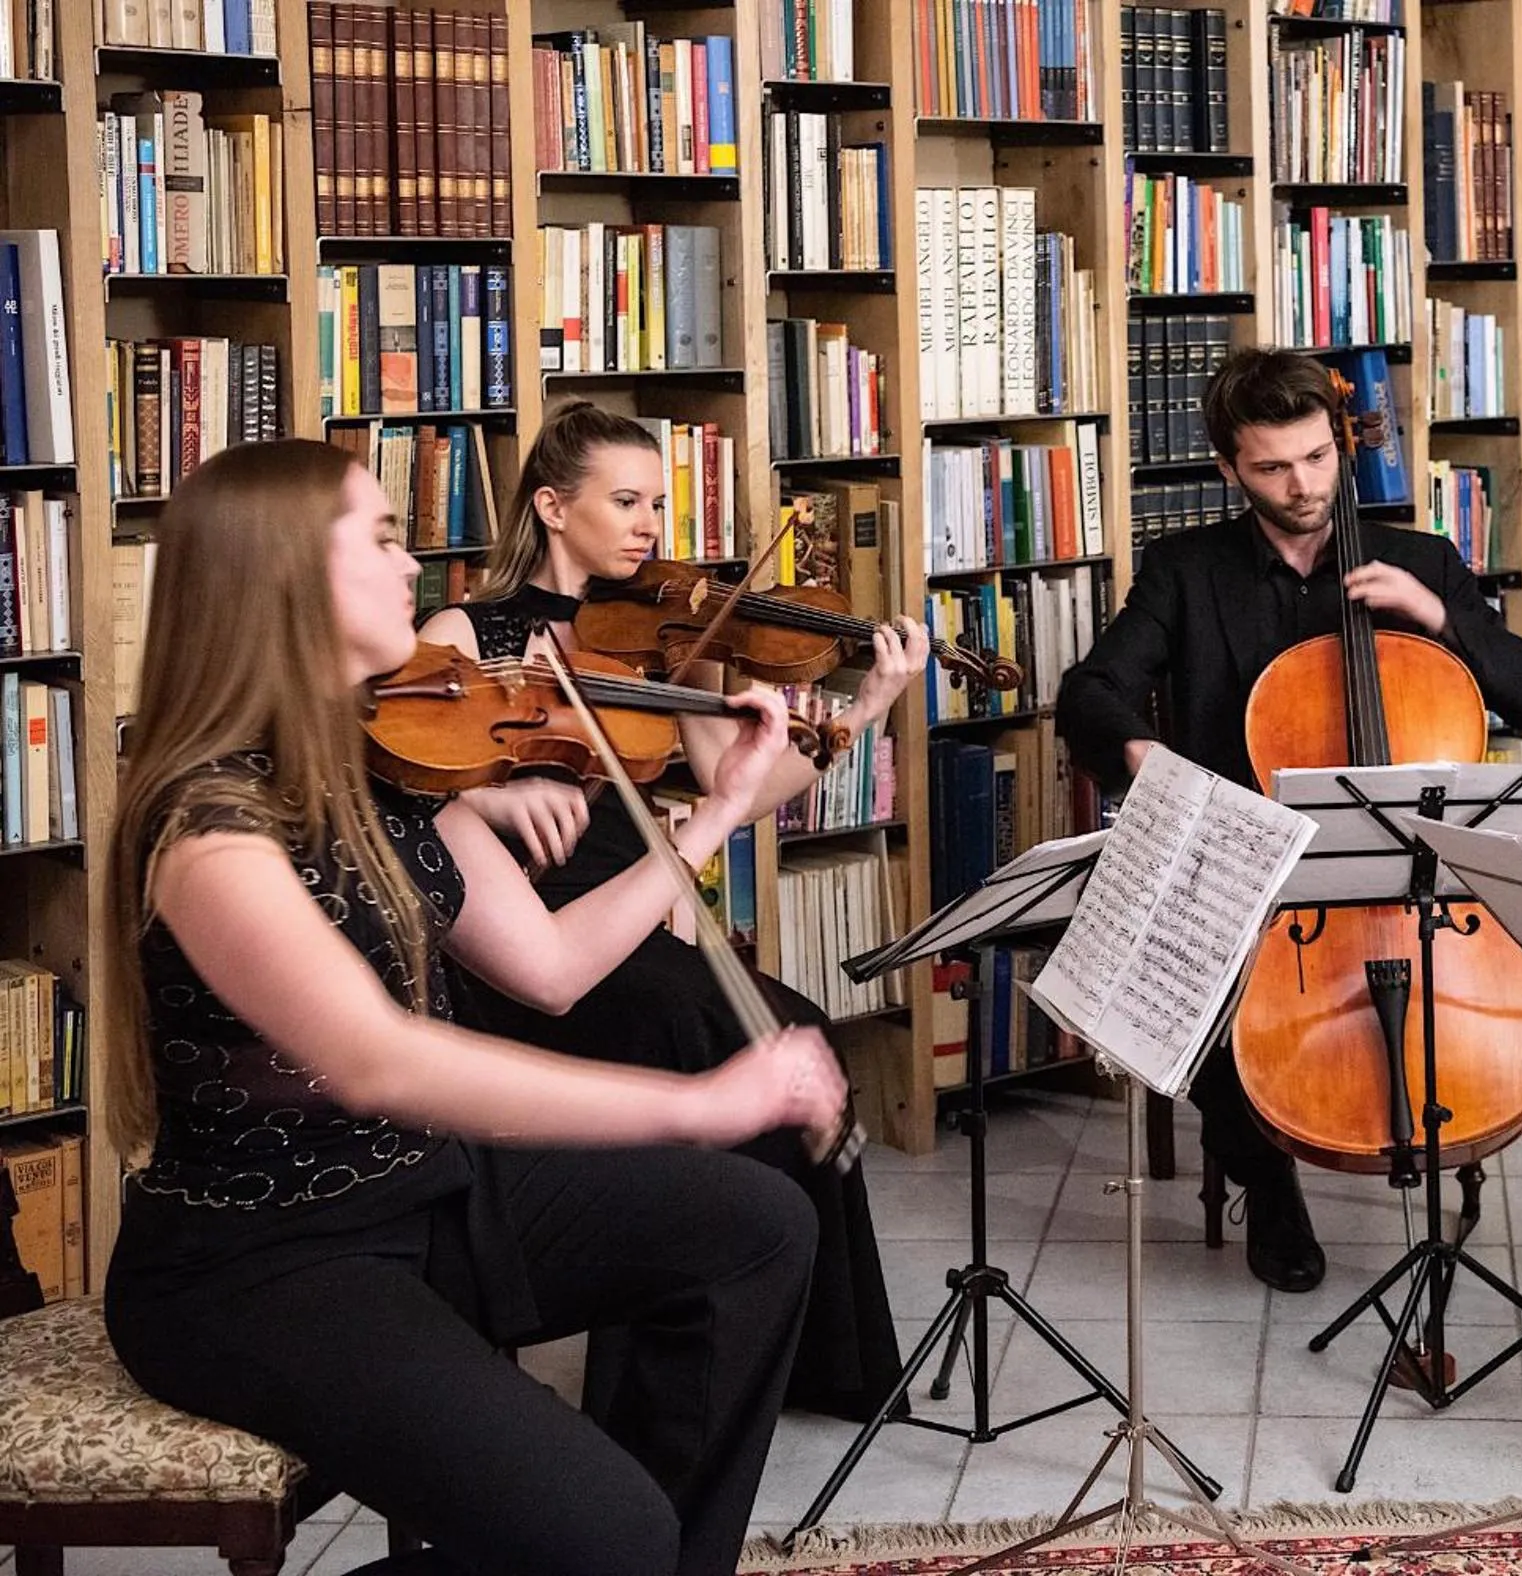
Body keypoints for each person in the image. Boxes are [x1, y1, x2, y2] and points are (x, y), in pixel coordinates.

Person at [102, 439, 844, 1576]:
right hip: (264, 1263)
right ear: (287, 576)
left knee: (759, 1229)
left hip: (424, 1189)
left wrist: (714, 813)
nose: (415, 569)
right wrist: (698, 1100)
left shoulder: (379, 765)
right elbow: (381, 1062)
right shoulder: (210, 834)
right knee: (606, 1534)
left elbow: (549, 961)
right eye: (386, 540)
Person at [1056, 346, 1522, 1362]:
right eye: (1273, 468)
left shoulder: (1418, 562)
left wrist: (1443, 621)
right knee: (1187, 964)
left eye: (1315, 458)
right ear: (1228, 470)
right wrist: (1146, 751)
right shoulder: (1185, 575)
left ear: (1341, 443)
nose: (1303, 486)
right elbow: (1088, 691)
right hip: (1263, 867)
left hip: (1421, 869)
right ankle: (1264, 1176)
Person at [417, 400, 929, 1423]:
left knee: (796, 1028)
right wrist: (494, 789)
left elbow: (739, 780)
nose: (652, 523)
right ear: (554, 507)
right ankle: (671, 1364)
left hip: (631, 909)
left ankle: (803, 1357)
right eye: (626, 500)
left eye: (657, 500)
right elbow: (415, 778)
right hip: (521, 931)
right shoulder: (463, 631)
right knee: (712, 1029)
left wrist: (863, 707)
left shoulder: (666, 638)